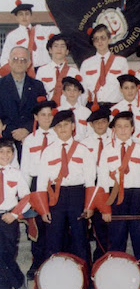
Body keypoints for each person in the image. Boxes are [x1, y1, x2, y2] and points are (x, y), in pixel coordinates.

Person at [96, 111, 140, 289]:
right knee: (116, 242)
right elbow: (102, 182)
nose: (123, 130)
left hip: (137, 197)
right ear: (113, 129)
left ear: (133, 129)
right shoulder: (107, 150)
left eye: (126, 126)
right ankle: (116, 281)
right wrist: (105, 208)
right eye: (119, 126)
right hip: (115, 198)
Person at [36, 110, 95, 265]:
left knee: (80, 238)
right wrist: (43, 209)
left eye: (66, 125)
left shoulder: (83, 150)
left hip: (77, 195)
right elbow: (41, 181)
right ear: (54, 129)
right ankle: (52, 280)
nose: (62, 129)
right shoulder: (48, 151)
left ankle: (85, 280)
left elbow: (90, 181)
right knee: (53, 239)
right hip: (56, 197)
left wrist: (89, 205)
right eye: (59, 126)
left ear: (73, 126)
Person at [19, 98, 56, 278]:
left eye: (50, 115)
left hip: (55, 185)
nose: (47, 119)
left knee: (55, 224)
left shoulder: (59, 136)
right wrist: (25, 196)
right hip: (35, 185)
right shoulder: (29, 140)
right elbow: (25, 169)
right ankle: (38, 261)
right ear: (36, 117)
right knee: (38, 224)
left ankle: (55, 260)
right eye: (43, 115)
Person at [0, 137, 31, 289]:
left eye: (9, 152)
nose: (5, 155)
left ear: (13, 154)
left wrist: (14, 214)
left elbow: (27, 198)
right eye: (1, 152)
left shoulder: (16, 174)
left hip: (9, 218)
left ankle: (19, 281)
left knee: (7, 254)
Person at [0, 47, 47, 151]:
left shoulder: (37, 86)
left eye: (23, 60)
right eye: (15, 59)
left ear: (29, 63)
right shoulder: (0, 85)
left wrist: (27, 129)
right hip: (5, 142)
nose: (19, 63)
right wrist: (12, 131)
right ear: (9, 61)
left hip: (32, 138)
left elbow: (43, 112)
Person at [80, 106, 111, 262]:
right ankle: (98, 261)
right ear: (91, 125)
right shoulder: (84, 144)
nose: (100, 125)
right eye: (96, 122)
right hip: (92, 187)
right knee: (97, 225)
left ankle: (108, 258)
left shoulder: (114, 141)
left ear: (108, 123)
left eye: (103, 122)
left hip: (110, 188)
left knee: (109, 227)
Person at [0, 0, 58, 74]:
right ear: (16, 18)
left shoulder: (41, 30)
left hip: (44, 70)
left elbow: (59, 29)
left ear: (31, 16)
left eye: (27, 14)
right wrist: (15, 73)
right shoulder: (12, 36)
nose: (24, 17)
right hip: (25, 72)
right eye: (21, 14)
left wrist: (51, 11)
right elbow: (4, 59)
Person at [80, 24, 129, 107]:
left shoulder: (121, 62)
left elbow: (127, 87)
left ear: (109, 39)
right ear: (93, 42)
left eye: (103, 38)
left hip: (115, 106)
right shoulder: (86, 64)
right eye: (96, 39)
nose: (100, 42)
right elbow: (82, 90)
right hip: (94, 107)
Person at [35, 34, 81, 106]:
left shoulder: (74, 72)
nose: (59, 49)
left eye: (62, 46)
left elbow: (80, 95)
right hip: (48, 110)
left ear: (67, 51)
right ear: (50, 50)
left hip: (67, 111)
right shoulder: (41, 71)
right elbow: (37, 92)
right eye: (56, 46)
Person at [56, 76, 90, 140]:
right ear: (63, 92)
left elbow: (90, 132)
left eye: (75, 90)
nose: (72, 93)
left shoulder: (86, 112)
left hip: (82, 144)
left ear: (79, 92)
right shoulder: (58, 111)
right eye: (69, 90)